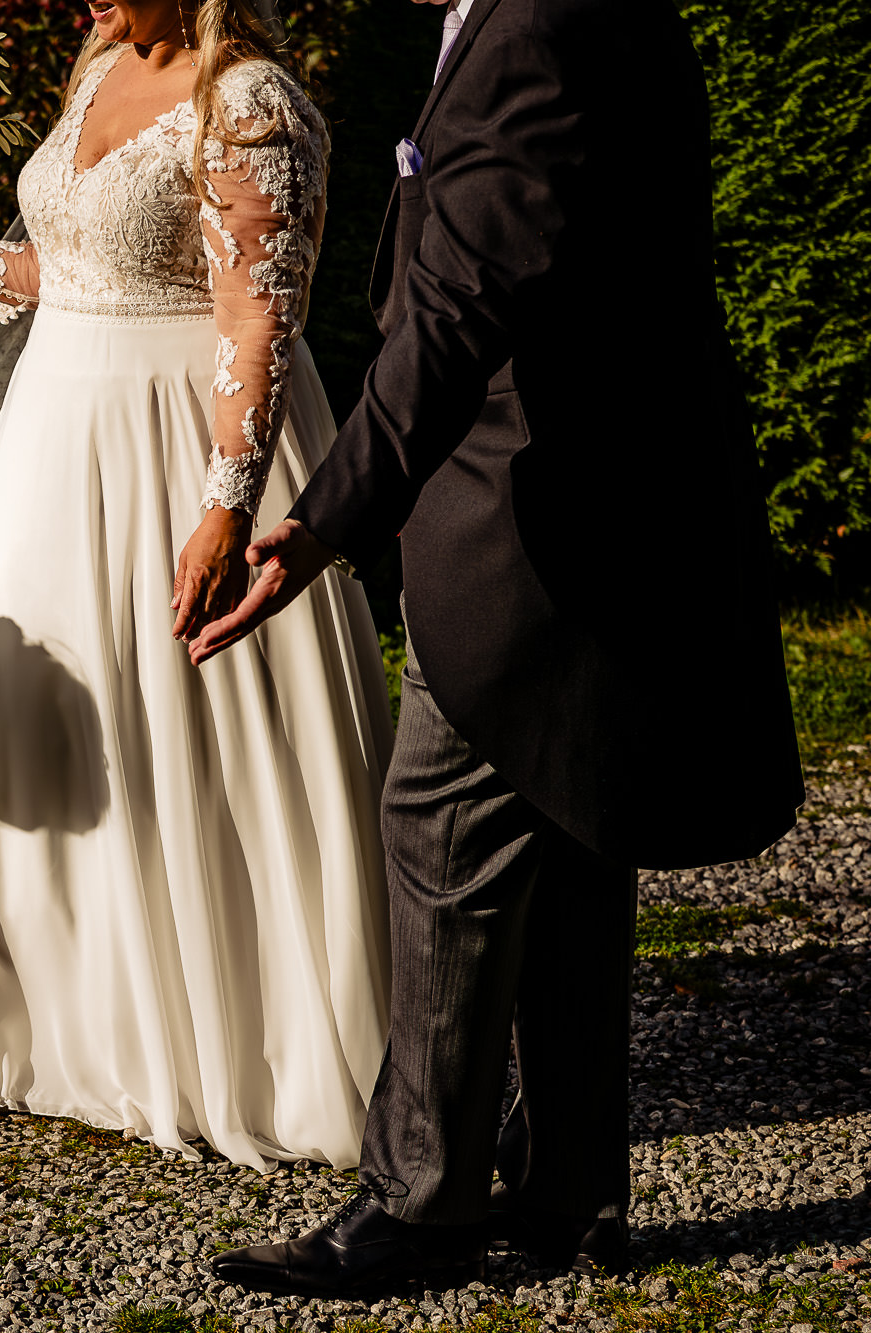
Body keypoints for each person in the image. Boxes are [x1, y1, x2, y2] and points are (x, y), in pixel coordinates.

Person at [196, 0, 804, 1295]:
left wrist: (319, 518)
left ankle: (421, 1205)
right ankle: (571, 1191)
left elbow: (460, 311)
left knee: (438, 821)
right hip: (619, 505)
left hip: (535, 517)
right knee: (572, 829)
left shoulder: (530, 26)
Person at [0, 0, 396, 1169]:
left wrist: (225, 503)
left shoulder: (249, 102)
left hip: (181, 442)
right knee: (0, 719)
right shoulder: (99, 64)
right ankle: (13, 1015)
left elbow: (257, 317)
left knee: (186, 723)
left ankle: (225, 1035)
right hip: (52, 437)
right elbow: (74, 266)